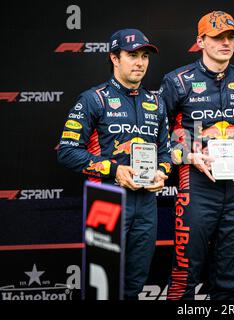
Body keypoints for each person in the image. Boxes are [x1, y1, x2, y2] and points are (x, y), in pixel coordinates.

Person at [57, 28, 172, 299]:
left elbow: (166, 153)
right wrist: (113, 169)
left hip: (146, 204)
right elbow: (67, 151)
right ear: (114, 58)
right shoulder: (93, 99)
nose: (140, 62)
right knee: (102, 286)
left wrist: (161, 172)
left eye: (144, 56)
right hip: (107, 199)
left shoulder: (156, 102)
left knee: (135, 284)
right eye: (132, 55)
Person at [158, 11, 234, 300]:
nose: (225, 43)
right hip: (196, 184)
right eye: (217, 37)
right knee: (184, 274)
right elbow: (155, 135)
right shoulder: (177, 81)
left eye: (230, 37)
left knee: (230, 276)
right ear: (200, 41)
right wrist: (189, 157)